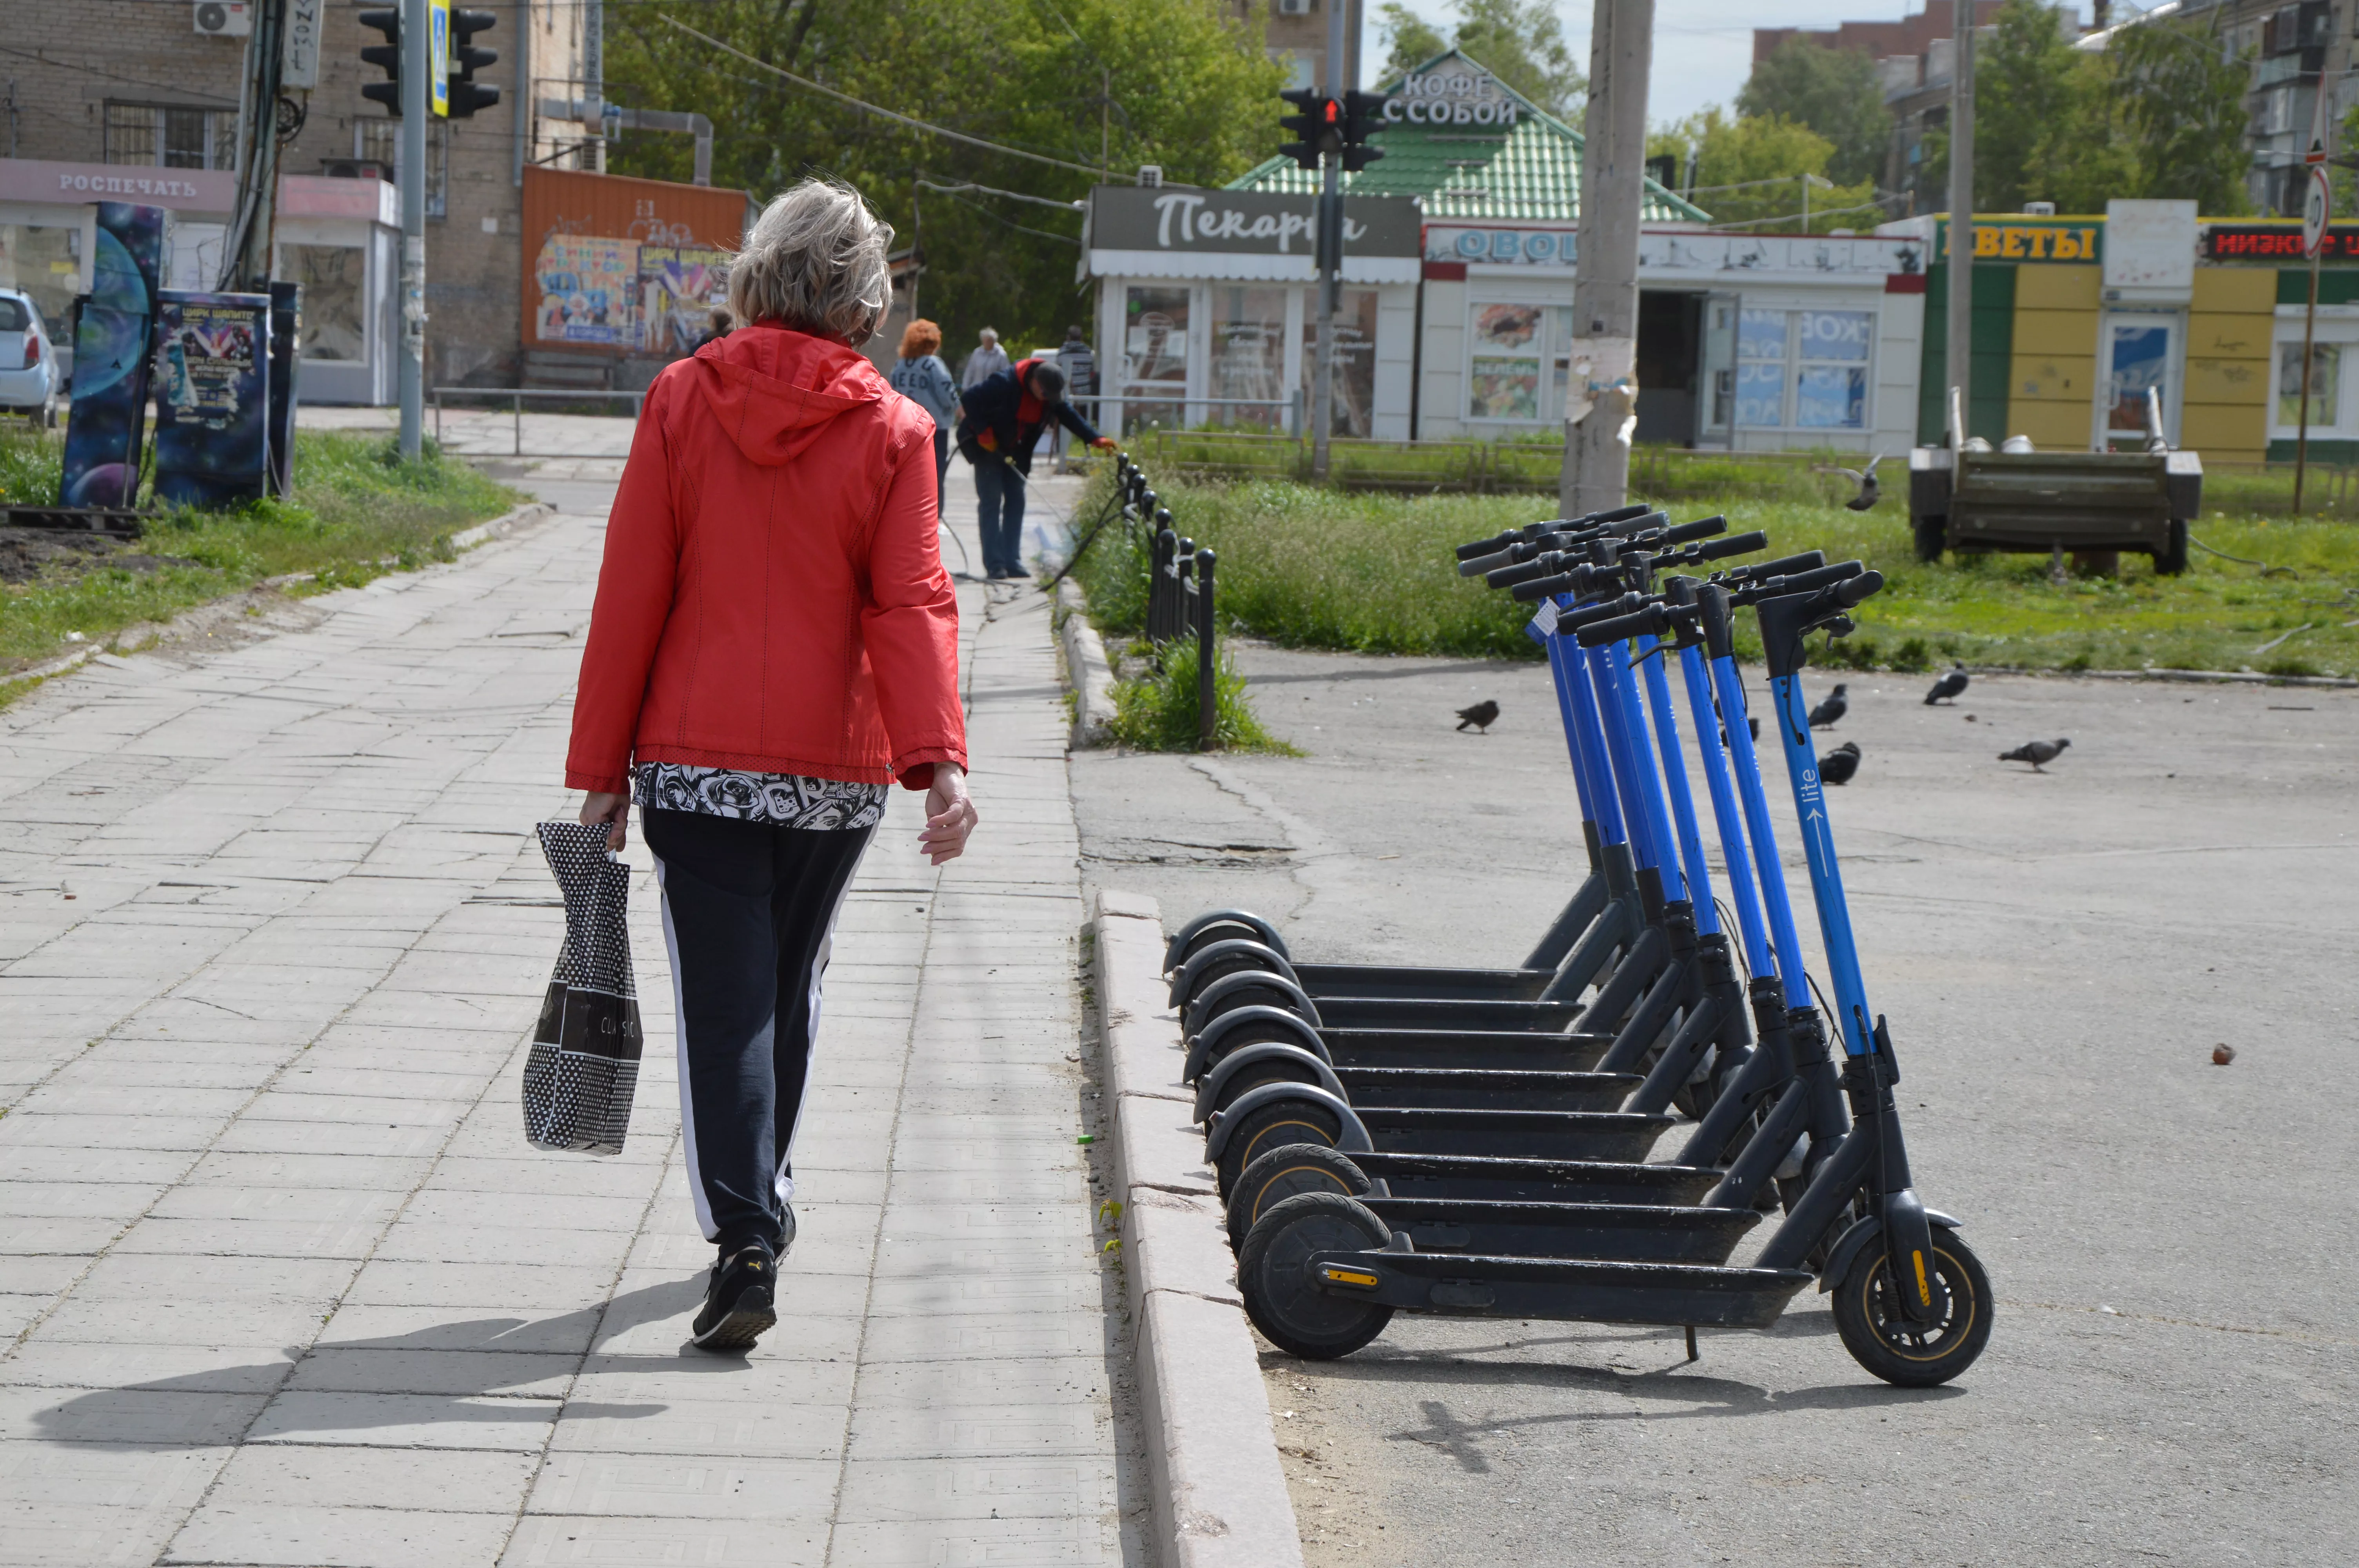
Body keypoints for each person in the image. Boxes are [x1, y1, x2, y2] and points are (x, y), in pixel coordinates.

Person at [567, 178, 978, 1354]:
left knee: (726, 1002)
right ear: (861, 301)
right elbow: (910, 601)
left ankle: (745, 1228)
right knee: (787, 991)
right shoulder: (896, 429)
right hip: (835, 774)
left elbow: (632, 595)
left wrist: (603, 768)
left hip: (694, 767)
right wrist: (937, 763)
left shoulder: (681, 400)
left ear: (756, 277)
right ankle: (765, 1205)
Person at [955, 354, 1116, 579]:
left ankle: (1012, 561)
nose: (1047, 399)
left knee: (1016, 500)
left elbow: (1066, 414)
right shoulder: (1003, 382)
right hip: (988, 449)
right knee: (991, 501)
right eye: (1045, 393)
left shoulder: (1049, 394)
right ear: (1034, 382)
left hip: (1017, 451)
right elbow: (970, 399)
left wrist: (1095, 439)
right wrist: (983, 431)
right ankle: (995, 564)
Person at [887, 319, 959, 522]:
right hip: (933, 426)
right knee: (935, 475)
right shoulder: (932, 364)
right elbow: (947, 392)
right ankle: (934, 519)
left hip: (904, 428)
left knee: (906, 476)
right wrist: (958, 409)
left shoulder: (900, 365)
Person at [960, 326, 1010, 390]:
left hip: (993, 390)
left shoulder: (1001, 355)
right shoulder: (977, 353)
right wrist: (965, 387)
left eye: (989, 340)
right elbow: (970, 370)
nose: (986, 343)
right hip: (977, 389)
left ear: (994, 341)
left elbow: (1005, 373)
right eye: (985, 340)